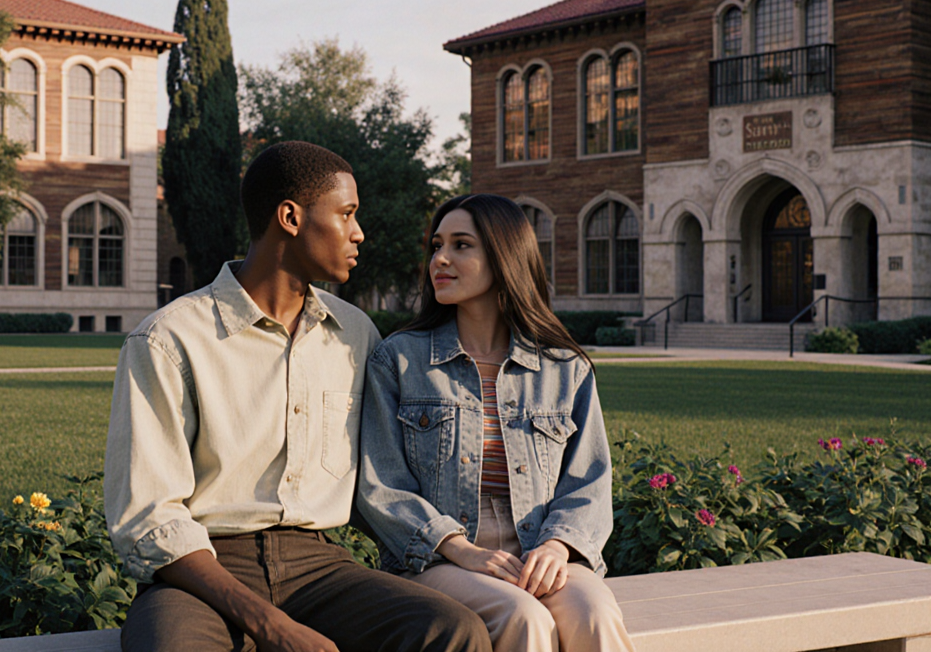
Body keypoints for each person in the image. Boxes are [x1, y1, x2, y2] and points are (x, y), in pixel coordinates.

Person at [104, 142, 490, 652]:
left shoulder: (355, 334)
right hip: (200, 570)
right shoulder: (168, 340)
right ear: (290, 217)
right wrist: (269, 625)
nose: (359, 233)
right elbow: (147, 516)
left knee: (452, 631)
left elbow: (382, 480)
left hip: (321, 569)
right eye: (347, 214)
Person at [356, 193, 636, 652]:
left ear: (505, 256)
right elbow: (381, 486)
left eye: (462, 245)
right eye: (437, 246)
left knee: (596, 613)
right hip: (439, 558)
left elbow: (590, 480)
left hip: (538, 550)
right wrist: (462, 550)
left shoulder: (564, 368)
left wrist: (556, 547)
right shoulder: (399, 360)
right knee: (522, 616)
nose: (440, 259)